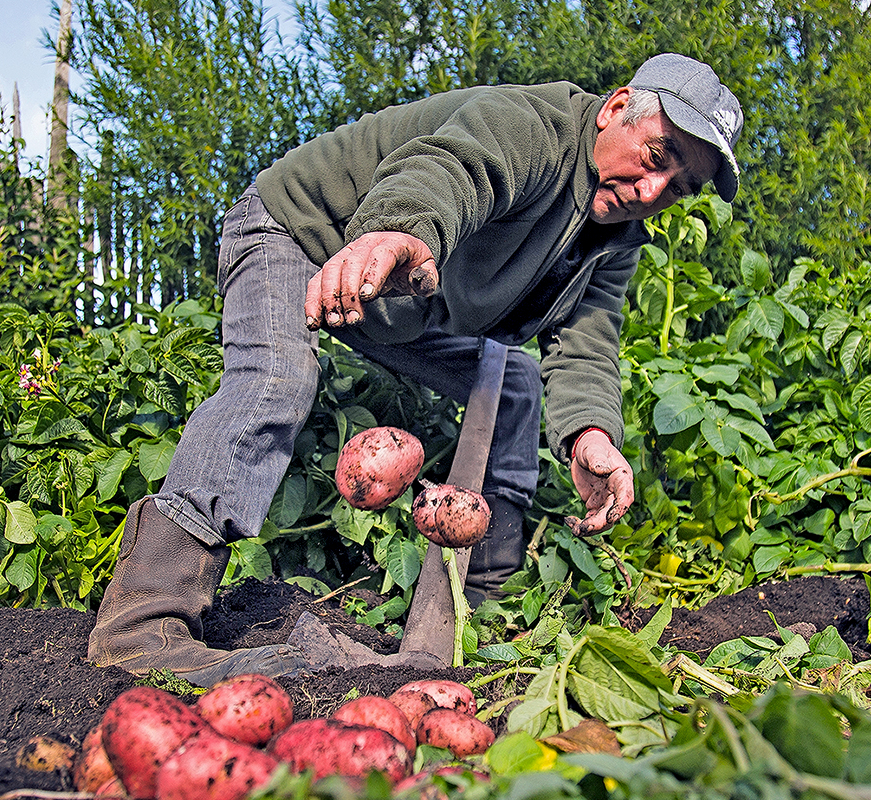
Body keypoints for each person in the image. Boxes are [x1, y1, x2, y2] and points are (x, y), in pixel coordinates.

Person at [88, 53, 744, 683]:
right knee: (277, 379)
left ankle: (475, 602)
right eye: (656, 158)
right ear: (617, 109)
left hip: (402, 292)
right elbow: (451, 168)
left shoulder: (615, 238)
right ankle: (142, 622)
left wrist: (590, 434)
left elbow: (586, 337)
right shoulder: (532, 127)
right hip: (303, 235)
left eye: (676, 188)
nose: (652, 189)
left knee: (513, 386)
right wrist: (401, 228)